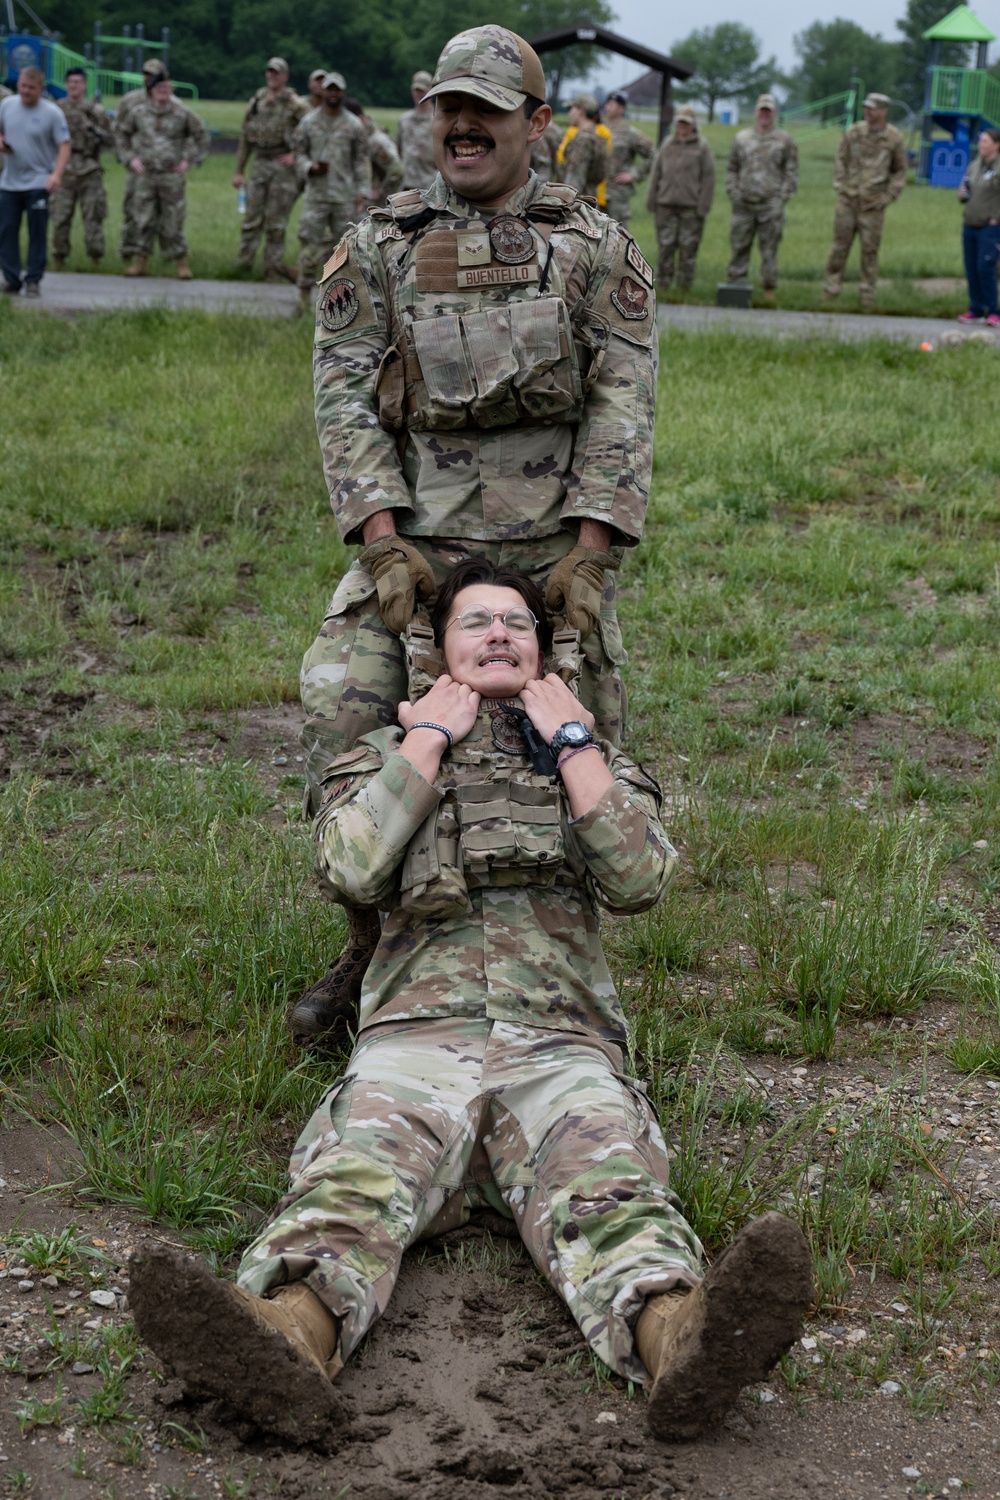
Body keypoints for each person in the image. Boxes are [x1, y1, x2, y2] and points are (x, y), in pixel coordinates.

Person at [129, 557, 813, 1447]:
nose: (499, 633)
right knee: (357, 1175)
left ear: (545, 651)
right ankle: (285, 1336)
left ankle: (681, 1338)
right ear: (438, 653)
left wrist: (574, 747)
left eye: (517, 624)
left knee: (609, 1182)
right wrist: (424, 744)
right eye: (475, 623)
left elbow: (641, 878)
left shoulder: (596, 760)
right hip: (418, 1043)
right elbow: (351, 866)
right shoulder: (374, 758)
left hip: (561, 1048)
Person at [290, 24, 658, 1045]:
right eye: (450, 108)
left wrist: (589, 559)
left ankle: (552, 948)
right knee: (340, 705)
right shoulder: (380, 246)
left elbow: (623, 408)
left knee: (583, 738)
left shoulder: (594, 250)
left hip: (551, 555)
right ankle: (373, 937)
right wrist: (379, 541)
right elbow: (344, 395)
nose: (462, 126)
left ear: (534, 125)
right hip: (416, 545)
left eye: (486, 112)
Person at [116, 74, 209, 279]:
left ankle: (181, 264)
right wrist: (130, 159)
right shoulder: (138, 112)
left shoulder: (182, 113)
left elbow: (201, 135)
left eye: (167, 86)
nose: (163, 90)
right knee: (143, 218)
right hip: (145, 175)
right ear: (151, 89)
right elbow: (122, 134)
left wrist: (189, 159)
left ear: (172, 89)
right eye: (159, 86)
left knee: (173, 219)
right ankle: (140, 262)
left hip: (171, 176)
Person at [822, 93, 907, 313]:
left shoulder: (894, 138)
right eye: (866, 108)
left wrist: (887, 198)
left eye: (873, 108)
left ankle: (867, 295)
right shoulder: (854, 133)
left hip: (873, 206)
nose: (868, 112)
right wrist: (840, 187)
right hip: (848, 201)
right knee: (839, 247)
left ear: (883, 111)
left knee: (869, 252)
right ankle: (830, 290)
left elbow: (899, 172)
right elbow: (841, 159)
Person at [291, 70, 370, 306]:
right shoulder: (308, 122)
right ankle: (304, 299)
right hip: (316, 195)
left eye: (337, 89)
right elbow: (298, 153)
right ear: (323, 91)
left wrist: (362, 192)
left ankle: (338, 301)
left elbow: (361, 161)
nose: (333, 94)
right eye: (330, 89)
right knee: (309, 247)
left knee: (344, 252)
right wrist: (309, 166)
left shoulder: (354, 125)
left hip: (344, 196)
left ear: (343, 93)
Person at [233, 56, 307, 282]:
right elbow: (245, 137)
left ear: (285, 76)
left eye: (277, 73)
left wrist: (295, 155)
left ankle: (272, 269)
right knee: (252, 218)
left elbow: (311, 132)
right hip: (259, 162)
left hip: (281, 166)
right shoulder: (257, 100)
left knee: (276, 221)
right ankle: (244, 263)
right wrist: (239, 170)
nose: (272, 76)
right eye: (269, 72)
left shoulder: (295, 104)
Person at [0, 66, 70, 296]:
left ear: (41, 88)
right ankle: (11, 278)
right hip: (10, 181)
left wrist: (56, 175)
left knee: (37, 232)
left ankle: (33, 279)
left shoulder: (52, 112)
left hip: (39, 181)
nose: (26, 91)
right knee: (7, 231)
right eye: (22, 86)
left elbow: (64, 145)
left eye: (31, 87)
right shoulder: (7, 105)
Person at [725, 93, 798, 300]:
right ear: (756, 112)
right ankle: (735, 288)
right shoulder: (742, 138)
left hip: (770, 204)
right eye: (762, 110)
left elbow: (791, 172)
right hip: (743, 204)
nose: (765, 115)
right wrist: (734, 192)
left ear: (774, 113)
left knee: (769, 249)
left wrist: (781, 198)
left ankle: (768, 289)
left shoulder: (785, 141)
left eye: (769, 111)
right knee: (739, 246)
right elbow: (732, 168)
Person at [646, 104, 715, 296]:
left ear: (693, 125)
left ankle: (685, 286)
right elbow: (656, 173)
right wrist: (651, 199)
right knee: (665, 246)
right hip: (665, 205)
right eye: (680, 123)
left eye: (686, 123)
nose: (683, 126)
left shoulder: (702, 147)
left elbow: (709, 179)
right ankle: (665, 284)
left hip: (690, 208)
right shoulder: (668, 144)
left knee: (688, 248)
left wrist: (703, 207)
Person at [50, 66, 113, 271]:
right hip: (64, 169)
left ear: (85, 85)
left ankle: (96, 259)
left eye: (77, 82)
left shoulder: (95, 110)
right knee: (60, 216)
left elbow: (110, 139)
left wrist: (92, 127)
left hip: (89, 168)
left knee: (93, 216)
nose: (73, 86)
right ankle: (59, 258)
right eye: (70, 82)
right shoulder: (56, 109)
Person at [113, 56, 167, 267]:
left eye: (153, 75)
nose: (149, 78)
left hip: (163, 167)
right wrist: (126, 157)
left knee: (162, 211)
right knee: (132, 207)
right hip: (138, 164)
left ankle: (162, 252)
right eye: (146, 74)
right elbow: (118, 131)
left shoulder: (168, 100)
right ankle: (129, 248)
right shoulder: (131, 100)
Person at [956, 127, 1000, 326]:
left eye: (985, 141)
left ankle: (993, 311)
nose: (981, 145)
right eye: (980, 141)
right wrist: (963, 193)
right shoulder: (974, 165)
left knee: (985, 267)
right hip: (970, 223)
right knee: (972, 267)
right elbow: (964, 189)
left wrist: (996, 217)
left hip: (989, 226)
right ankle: (975, 308)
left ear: (996, 145)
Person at [602, 90, 653, 228]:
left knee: (619, 235)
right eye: (607, 103)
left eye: (611, 104)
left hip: (617, 193)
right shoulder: (599, 130)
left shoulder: (631, 133)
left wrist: (634, 174)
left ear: (621, 109)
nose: (607, 107)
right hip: (597, 191)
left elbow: (654, 155)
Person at [345, 97, 403, 206]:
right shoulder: (360, 138)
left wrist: (381, 193)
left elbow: (397, 170)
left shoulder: (376, 141)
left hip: (373, 206)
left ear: (360, 118)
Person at [557, 93, 611, 202]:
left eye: (571, 109)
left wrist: (563, 205)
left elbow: (573, 185)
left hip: (577, 208)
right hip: (588, 202)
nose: (569, 114)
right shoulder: (597, 138)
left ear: (580, 110)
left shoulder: (583, 140)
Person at [397, 68, 436, 190]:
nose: (419, 94)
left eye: (422, 90)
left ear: (431, 90)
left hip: (430, 184)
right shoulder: (404, 119)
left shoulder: (437, 119)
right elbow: (399, 149)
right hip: (407, 184)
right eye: (416, 90)